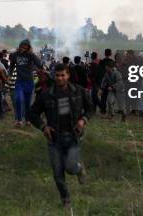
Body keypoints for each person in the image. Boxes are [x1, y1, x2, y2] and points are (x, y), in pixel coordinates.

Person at [29, 63, 93, 209]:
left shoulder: (79, 91)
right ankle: (66, 200)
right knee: (58, 173)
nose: (59, 78)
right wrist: (43, 126)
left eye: (62, 75)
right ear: (53, 76)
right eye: (57, 75)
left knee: (70, 167)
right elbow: (32, 113)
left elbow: (90, 108)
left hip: (73, 136)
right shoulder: (46, 94)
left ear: (68, 75)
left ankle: (79, 168)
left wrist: (83, 120)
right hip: (54, 138)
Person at [9, 39, 42, 127]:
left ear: (28, 47)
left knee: (27, 103)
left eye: (26, 46)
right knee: (18, 99)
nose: (23, 48)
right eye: (22, 46)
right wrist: (9, 75)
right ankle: (19, 120)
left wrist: (37, 62)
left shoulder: (30, 55)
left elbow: (39, 64)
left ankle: (28, 120)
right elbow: (12, 66)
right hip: (19, 81)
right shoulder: (15, 55)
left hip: (29, 82)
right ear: (20, 45)